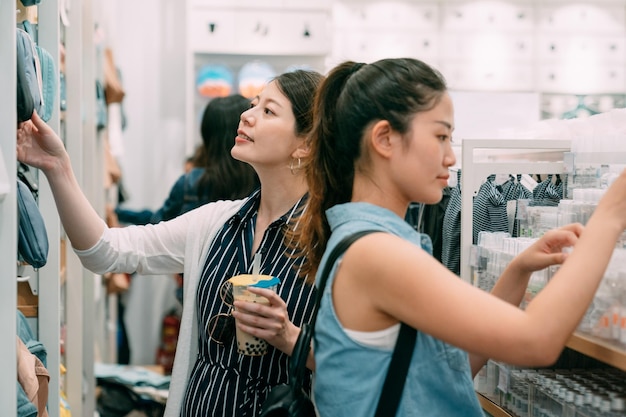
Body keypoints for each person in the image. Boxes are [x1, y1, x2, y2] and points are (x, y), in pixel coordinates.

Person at [295, 57, 626, 417]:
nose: (451, 157)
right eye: (440, 136)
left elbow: (448, 369)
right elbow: (538, 341)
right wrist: (609, 216)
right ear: (385, 138)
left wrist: (517, 270)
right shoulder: (376, 253)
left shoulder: (371, 242)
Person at [16, 69, 324, 417]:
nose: (247, 115)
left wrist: (288, 337)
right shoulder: (216, 224)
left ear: (306, 143)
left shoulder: (326, 240)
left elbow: (358, 364)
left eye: (268, 111)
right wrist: (57, 167)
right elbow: (104, 251)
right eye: (253, 105)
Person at [115, 94, 259, 226]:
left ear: (207, 135)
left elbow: (159, 224)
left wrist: (118, 213)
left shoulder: (190, 184)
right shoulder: (263, 184)